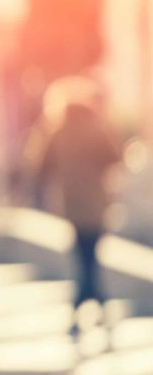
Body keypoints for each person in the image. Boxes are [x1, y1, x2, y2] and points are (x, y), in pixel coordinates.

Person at [36, 76, 121, 334]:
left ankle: (86, 304)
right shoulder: (95, 128)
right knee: (90, 255)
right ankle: (92, 303)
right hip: (96, 204)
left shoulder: (58, 131)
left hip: (71, 204)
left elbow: (42, 166)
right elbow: (114, 158)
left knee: (84, 256)